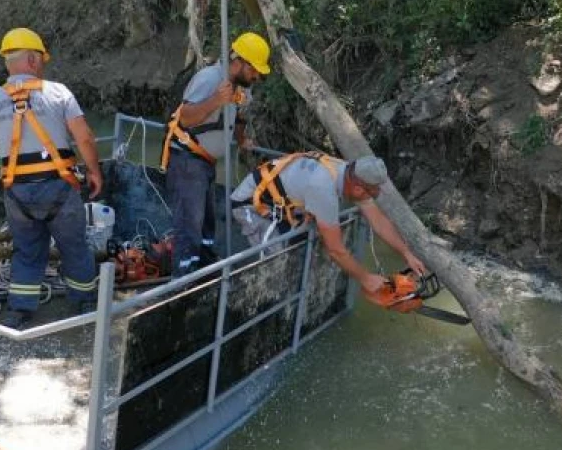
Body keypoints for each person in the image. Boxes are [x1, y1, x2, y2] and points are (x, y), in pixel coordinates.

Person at [0, 27, 104, 328]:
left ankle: (20, 310)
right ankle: (86, 305)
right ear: (34, 60)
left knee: (27, 252)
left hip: (18, 194)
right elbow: (85, 138)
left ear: (8, 63)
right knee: (74, 247)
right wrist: (94, 172)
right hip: (60, 189)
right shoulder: (59, 93)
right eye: (42, 60)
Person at [230, 152, 427, 296]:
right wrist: (366, 279)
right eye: (372, 192)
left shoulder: (348, 172)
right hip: (252, 206)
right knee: (274, 263)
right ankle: (252, 301)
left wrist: (406, 253)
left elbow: (379, 221)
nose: (372, 197)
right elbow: (336, 251)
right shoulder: (323, 188)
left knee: (299, 249)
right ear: (358, 189)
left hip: (285, 205)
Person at [160, 32, 270, 276]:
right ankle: (182, 282)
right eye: (254, 70)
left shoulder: (241, 86)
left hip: (206, 163)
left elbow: (239, 115)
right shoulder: (210, 79)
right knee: (189, 224)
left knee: (206, 222)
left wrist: (241, 140)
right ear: (238, 61)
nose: (257, 76)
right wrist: (215, 101)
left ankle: (206, 266)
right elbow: (186, 116)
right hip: (188, 160)